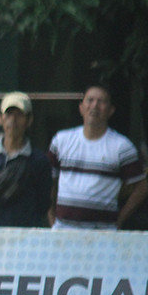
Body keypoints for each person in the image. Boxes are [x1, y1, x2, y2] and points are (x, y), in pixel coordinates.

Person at [48, 83, 148, 230]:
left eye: (101, 101)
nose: (95, 106)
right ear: (81, 107)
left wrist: (120, 218)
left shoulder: (122, 147)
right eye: (90, 100)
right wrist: (51, 216)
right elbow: (46, 181)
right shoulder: (61, 141)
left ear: (111, 110)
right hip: (63, 232)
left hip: (103, 235)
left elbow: (142, 186)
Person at [0, 92, 52, 227]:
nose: (13, 120)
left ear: (29, 120)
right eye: (8, 114)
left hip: (26, 238)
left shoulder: (39, 161)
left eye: (19, 115)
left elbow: (43, 204)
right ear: (0, 119)